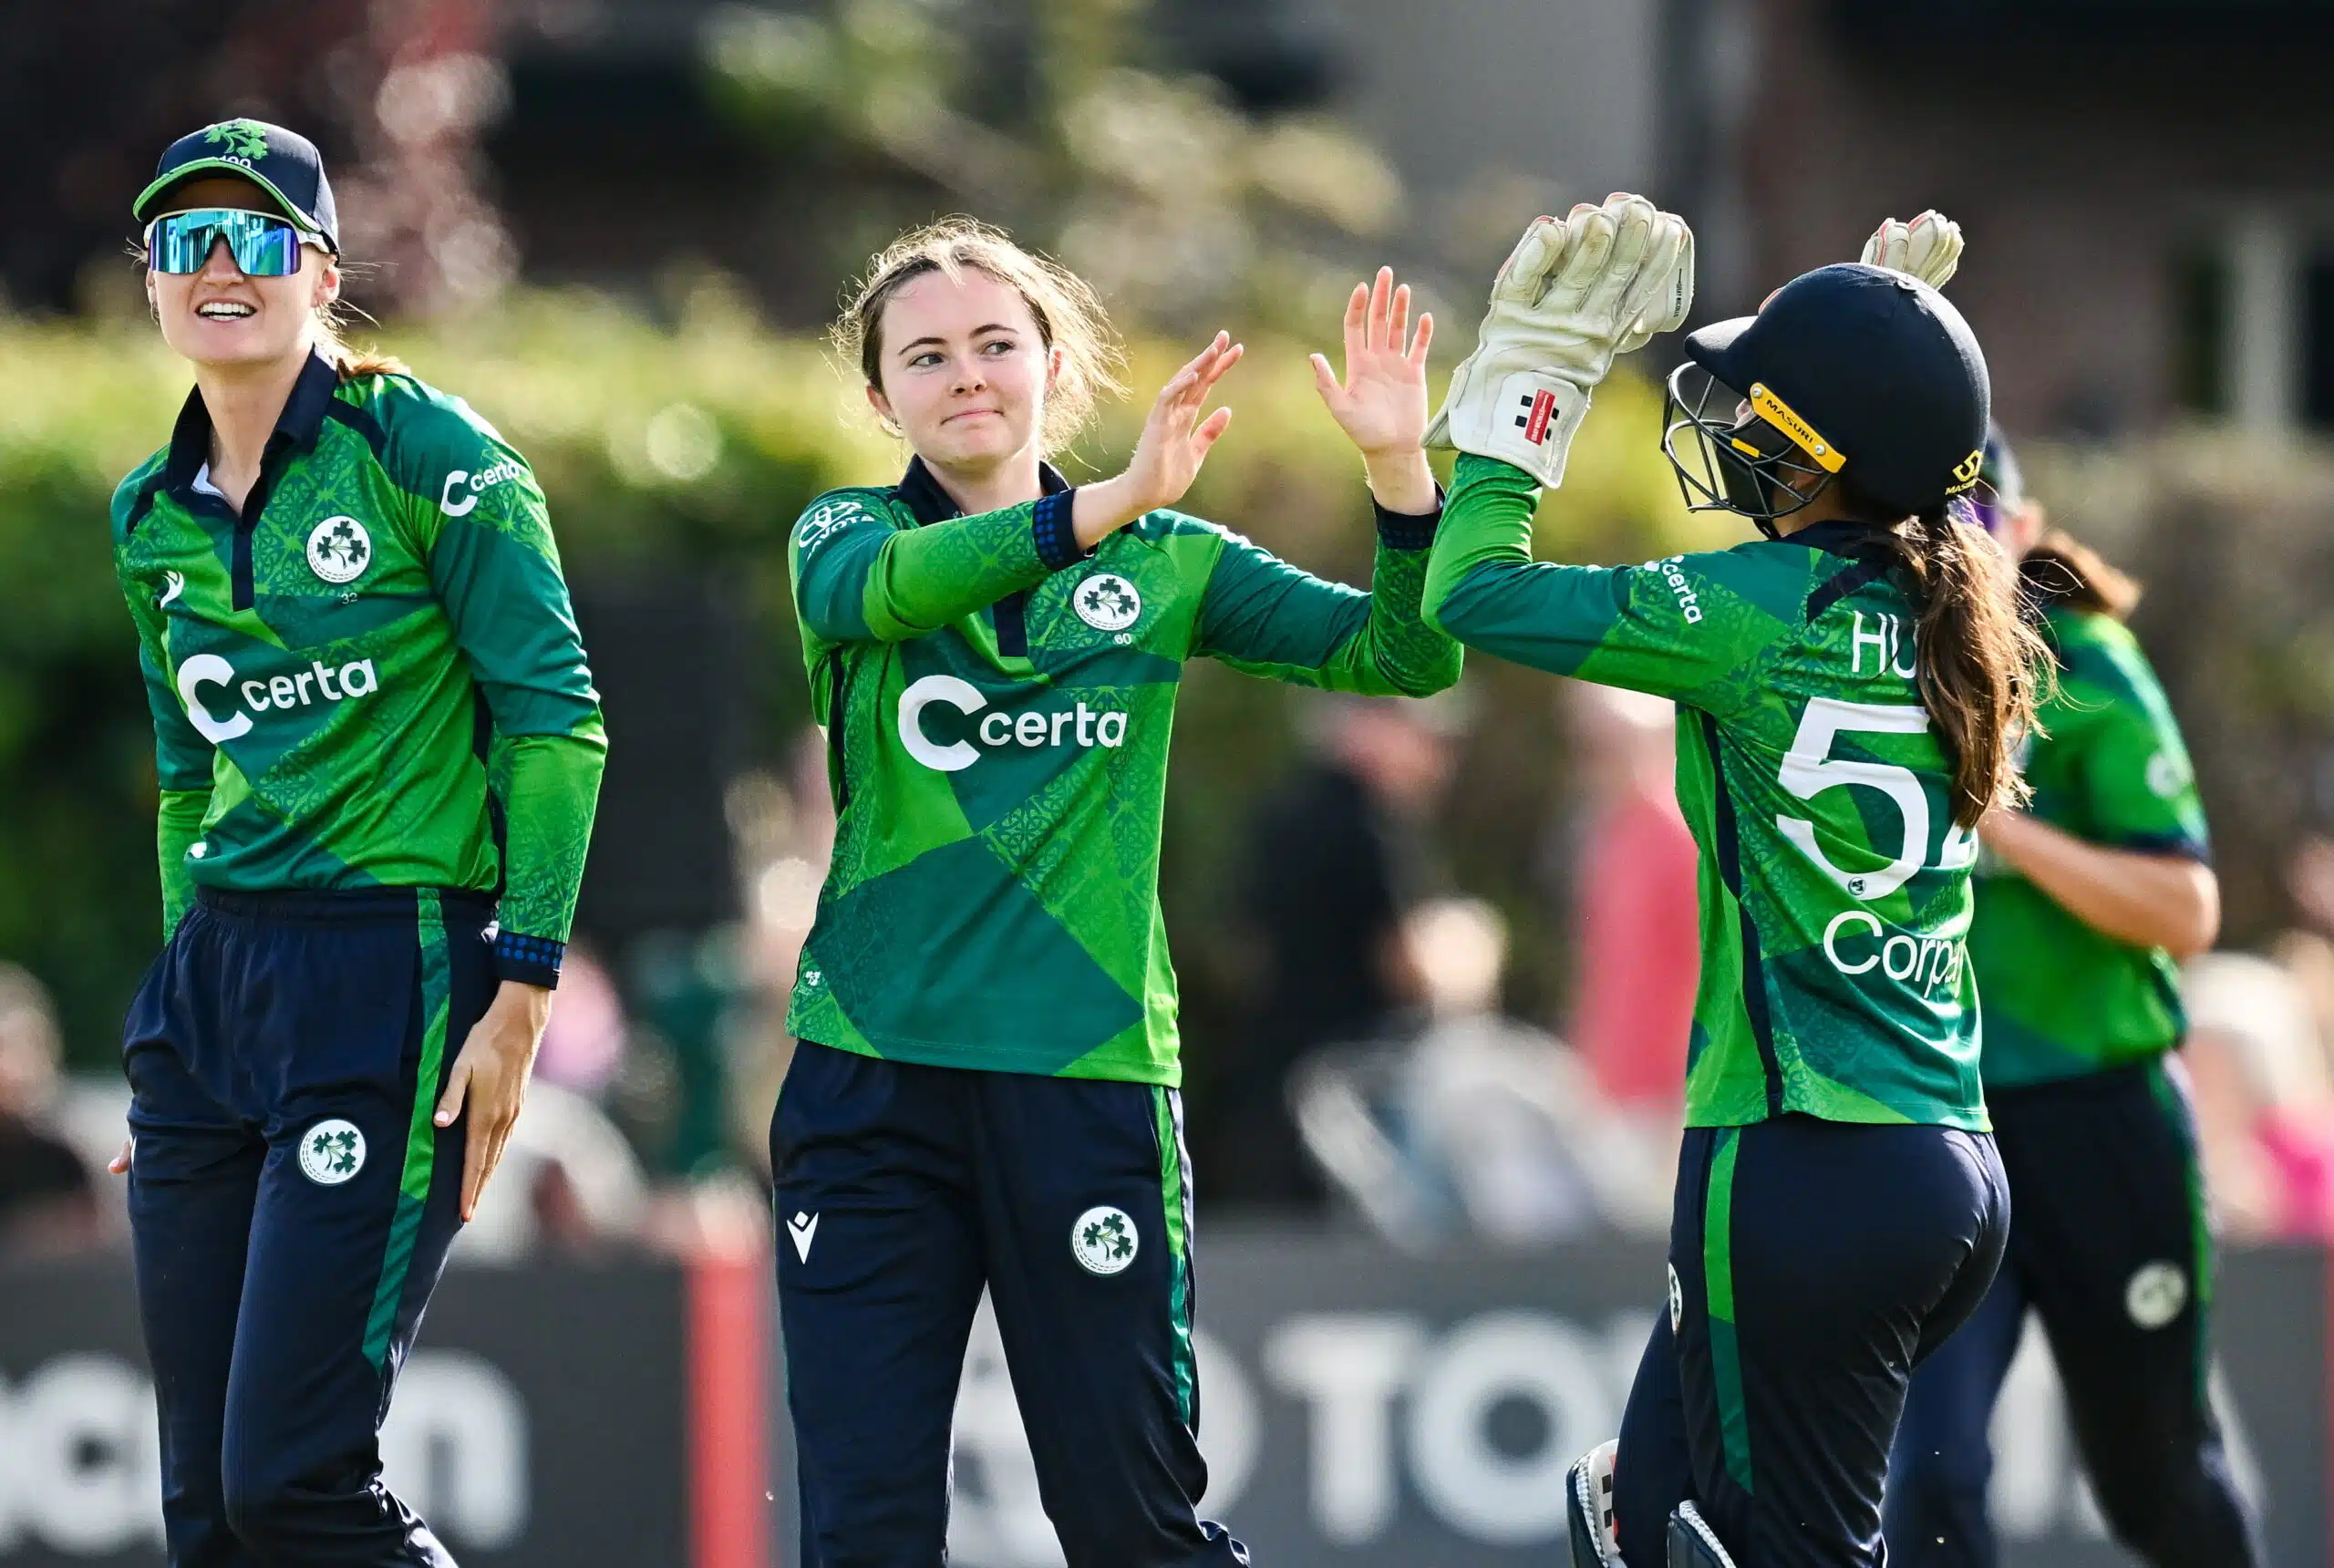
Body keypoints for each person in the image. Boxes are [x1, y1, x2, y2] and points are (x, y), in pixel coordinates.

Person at [775, 217, 1461, 1566]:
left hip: (1082, 1086)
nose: (964, 375)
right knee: (865, 1534)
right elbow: (893, 589)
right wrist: (1106, 504)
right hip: (870, 1089)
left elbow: (1404, 657)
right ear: (878, 399)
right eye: (925, 356)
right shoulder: (840, 536)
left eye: (994, 344)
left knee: (1131, 1526)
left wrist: (1396, 465)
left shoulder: (1167, 563)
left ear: (1051, 364)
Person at [1420, 201, 2037, 1568]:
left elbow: (1469, 592)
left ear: (1814, 455)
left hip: (1797, 1156)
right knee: (1640, 1519)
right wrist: (1888, 354)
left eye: (1764, 412)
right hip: (1946, 1171)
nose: (1735, 428)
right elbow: (1934, 494)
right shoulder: (1967, 605)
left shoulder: (1753, 611)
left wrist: (1532, 384)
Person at [110, 119, 605, 1567]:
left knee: (295, 1483)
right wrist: (184, 1017)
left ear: (321, 273)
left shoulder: (427, 455)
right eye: (185, 244)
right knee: (208, 1516)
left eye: (257, 240)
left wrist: (523, 981)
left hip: (390, 967)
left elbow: (554, 724)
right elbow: (185, 779)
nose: (220, 270)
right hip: (217, 993)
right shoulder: (151, 512)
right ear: (151, 282)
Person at [1885, 427, 2258, 1568]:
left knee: (2153, 1483)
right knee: (1930, 1479)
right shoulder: (1861, 671)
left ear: (2026, 532)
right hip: (1945, 1129)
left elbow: (2184, 910)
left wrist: (2000, 823)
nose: (1956, 551)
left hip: (2102, 1118)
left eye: (1978, 519)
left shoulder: (2088, 665)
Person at [1213, 690, 1461, 1212]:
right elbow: (1404, 963)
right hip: (1361, 1081)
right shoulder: (1371, 826)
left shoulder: (1276, 814)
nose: (1432, 755)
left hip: (1278, 1071)